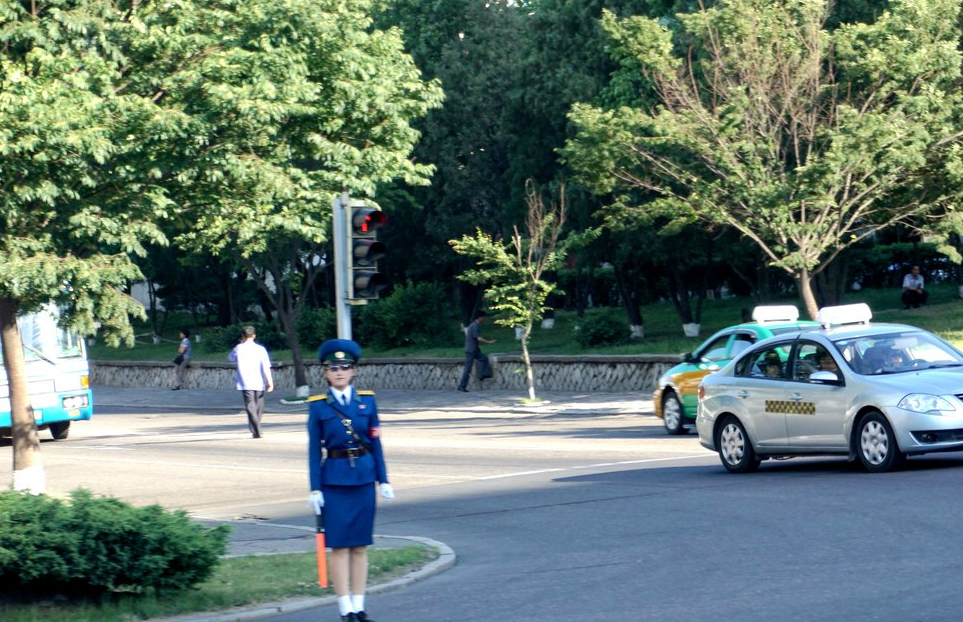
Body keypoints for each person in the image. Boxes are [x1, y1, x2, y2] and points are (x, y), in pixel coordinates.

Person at [308, 339, 394, 622]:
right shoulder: (319, 406)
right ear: (325, 373)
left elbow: (376, 442)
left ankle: (359, 606)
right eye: (334, 367)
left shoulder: (367, 401)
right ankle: (345, 608)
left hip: (363, 479)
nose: (340, 372)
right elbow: (313, 449)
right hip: (334, 481)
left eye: (345, 367)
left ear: (354, 371)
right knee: (340, 546)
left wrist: (384, 479)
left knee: (359, 545)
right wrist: (315, 487)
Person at [228, 325, 274, 438]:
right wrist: (270, 381)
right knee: (259, 405)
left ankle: (255, 428)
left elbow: (231, 358)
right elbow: (266, 367)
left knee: (250, 405)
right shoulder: (260, 349)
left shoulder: (239, 348)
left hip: (245, 381)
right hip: (258, 381)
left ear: (243, 336)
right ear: (254, 336)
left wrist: (240, 344)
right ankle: (256, 426)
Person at [457, 311, 495, 392]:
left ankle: (483, 375)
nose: (484, 319)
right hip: (471, 351)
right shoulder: (474, 326)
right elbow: (478, 338)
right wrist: (489, 342)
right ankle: (462, 386)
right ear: (479, 317)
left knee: (484, 358)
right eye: (483, 317)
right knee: (468, 369)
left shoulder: (475, 325)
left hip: (474, 350)